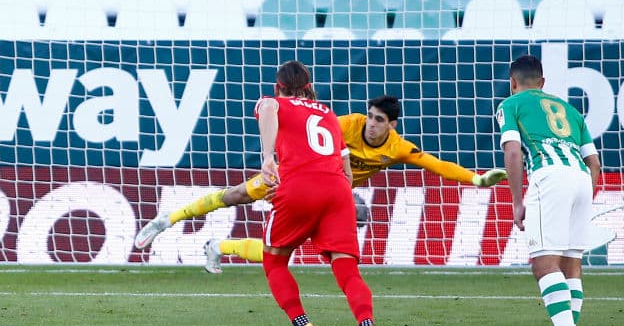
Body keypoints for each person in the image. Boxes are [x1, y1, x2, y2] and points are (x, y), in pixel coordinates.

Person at [134, 95, 507, 273]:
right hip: (295, 178)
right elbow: (305, 133)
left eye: (379, 121)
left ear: (391, 125)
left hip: (325, 195)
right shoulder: (346, 123)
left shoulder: (397, 148)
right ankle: (169, 219)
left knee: (284, 251)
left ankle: (217, 245)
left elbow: (435, 164)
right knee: (234, 196)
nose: (371, 124)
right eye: (371, 117)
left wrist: (476, 178)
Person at [256, 60, 379, 326]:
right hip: (338, 191)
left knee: (274, 260)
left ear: (278, 87)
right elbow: (348, 173)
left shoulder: (274, 102)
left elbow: (269, 108)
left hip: (299, 186)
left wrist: (269, 158)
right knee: (347, 269)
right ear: (309, 86)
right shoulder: (328, 114)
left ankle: (302, 325)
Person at [497, 54, 600, 326]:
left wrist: (517, 201)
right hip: (582, 179)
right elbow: (594, 163)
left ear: (513, 83)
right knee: (571, 263)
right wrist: (583, 199)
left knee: (544, 263)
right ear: (543, 83)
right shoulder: (570, 110)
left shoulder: (510, 105)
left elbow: (513, 152)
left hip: (548, 176)